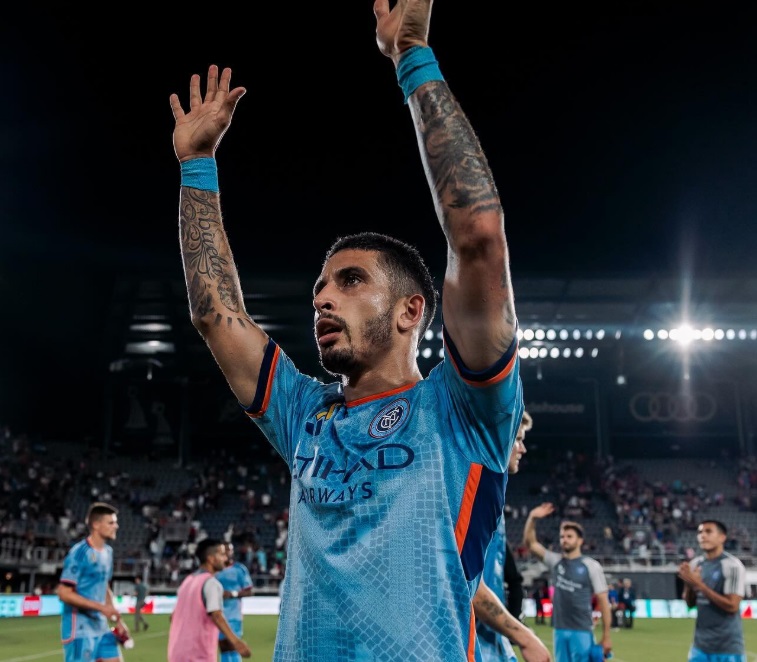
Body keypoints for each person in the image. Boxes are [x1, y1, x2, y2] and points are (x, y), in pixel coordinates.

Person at [168, 0, 524, 658]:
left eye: (351, 281)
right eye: (320, 288)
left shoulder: (463, 409)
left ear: (411, 310)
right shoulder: (305, 413)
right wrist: (196, 165)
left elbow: (477, 236)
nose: (323, 299)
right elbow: (215, 316)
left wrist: (412, 56)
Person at [473, 411, 551, 662]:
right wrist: (524, 637)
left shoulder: (492, 500)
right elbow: (466, 584)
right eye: (518, 440)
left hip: (489, 642)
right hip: (470, 646)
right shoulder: (474, 495)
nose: (523, 449)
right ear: (499, 440)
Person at [523, 504, 612, 661]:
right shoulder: (556, 561)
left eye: (569, 536)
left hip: (582, 630)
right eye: (562, 536)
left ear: (580, 541)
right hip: (559, 629)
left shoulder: (591, 566)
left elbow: (603, 601)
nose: (564, 540)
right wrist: (532, 518)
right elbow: (531, 544)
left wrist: (606, 636)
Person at [56, 502, 125, 662]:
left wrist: (118, 620)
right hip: (79, 629)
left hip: (101, 626)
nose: (116, 526)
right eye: (111, 523)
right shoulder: (80, 553)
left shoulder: (108, 552)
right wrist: (101, 608)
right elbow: (64, 593)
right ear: (96, 525)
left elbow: (104, 586)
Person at [167, 538, 251, 661]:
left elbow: (173, 617)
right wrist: (236, 642)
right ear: (211, 559)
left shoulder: (187, 581)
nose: (225, 558)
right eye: (222, 554)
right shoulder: (211, 583)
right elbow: (216, 615)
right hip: (198, 655)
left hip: (177, 653)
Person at [678, 519, 746, 662]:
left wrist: (699, 585)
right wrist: (689, 584)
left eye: (708, 531)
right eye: (700, 532)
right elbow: (690, 603)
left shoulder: (732, 565)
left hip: (727, 648)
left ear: (722, 537)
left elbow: (732, 606)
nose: (702, 535)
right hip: (700, 647)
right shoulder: (695, 564)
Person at [216, 542, 255, 662]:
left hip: (234, 615)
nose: (227, 553)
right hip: (217, 614)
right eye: (224, 550)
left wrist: (232, 594)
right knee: (223, 647)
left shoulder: (239, 569)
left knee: (233, 646)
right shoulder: (215, 570)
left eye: (229, 550)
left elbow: (249, 591)